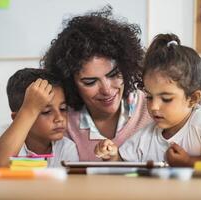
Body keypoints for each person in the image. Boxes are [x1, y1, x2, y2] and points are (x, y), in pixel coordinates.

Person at [94, 33, 201, 166]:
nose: (154, 106)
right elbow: (123, 166)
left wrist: (188, 162)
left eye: (166, 99)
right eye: (149, 97)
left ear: (193, 98)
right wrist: (112, 156)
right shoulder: (146, 136)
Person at [41, 6, 152, 161]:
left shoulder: (153, 105)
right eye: (90, 82)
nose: (107, 90)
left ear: (126, 67)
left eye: (114, 74)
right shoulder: (61, 119)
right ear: (71, 84)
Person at [0, 68, 79, 167]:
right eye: (46, 112)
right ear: (18, 118)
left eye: (63, 109)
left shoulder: (66, 148)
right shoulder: (6, 135)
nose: (59, 118)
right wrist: (28, 110)